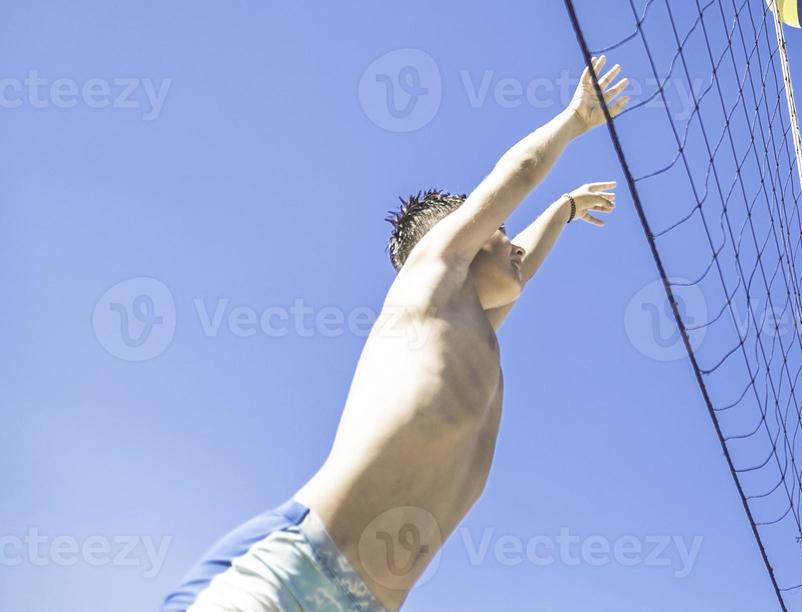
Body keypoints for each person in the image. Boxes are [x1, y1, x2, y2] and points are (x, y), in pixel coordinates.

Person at [161, 57, 631, 611]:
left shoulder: (471, 333)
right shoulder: (430, 279)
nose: (516, 245)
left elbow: (523, 263)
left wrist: (564, 210)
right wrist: (575, 119)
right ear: (469, 238)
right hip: (288, 572)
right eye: (502, 233)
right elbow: (523, 170)